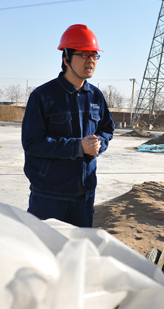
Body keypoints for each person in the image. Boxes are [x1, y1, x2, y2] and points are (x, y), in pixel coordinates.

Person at [21, 24, 114, 227]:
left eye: (94, 55)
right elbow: (32, 142)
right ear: (66, 58)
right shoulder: (43, 96)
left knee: (77, 252)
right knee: (43, 252)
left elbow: (107, 129)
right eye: (83, 54)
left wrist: (100, 143)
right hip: (49, 195)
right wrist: (77, 146)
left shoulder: (96, 96)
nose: (90, 60)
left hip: (84, 194)